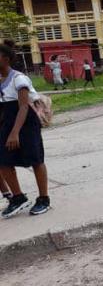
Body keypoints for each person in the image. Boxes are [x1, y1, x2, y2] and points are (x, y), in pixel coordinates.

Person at [0, 40, 51, 217]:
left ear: (5, 59)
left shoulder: (19, 78)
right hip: (8, 121)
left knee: (35, 159)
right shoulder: (1, 79)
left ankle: (44, 198)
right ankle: (18, 197)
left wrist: (15, 133)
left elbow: (23, 107)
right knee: (3, 161)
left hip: (26, 122)